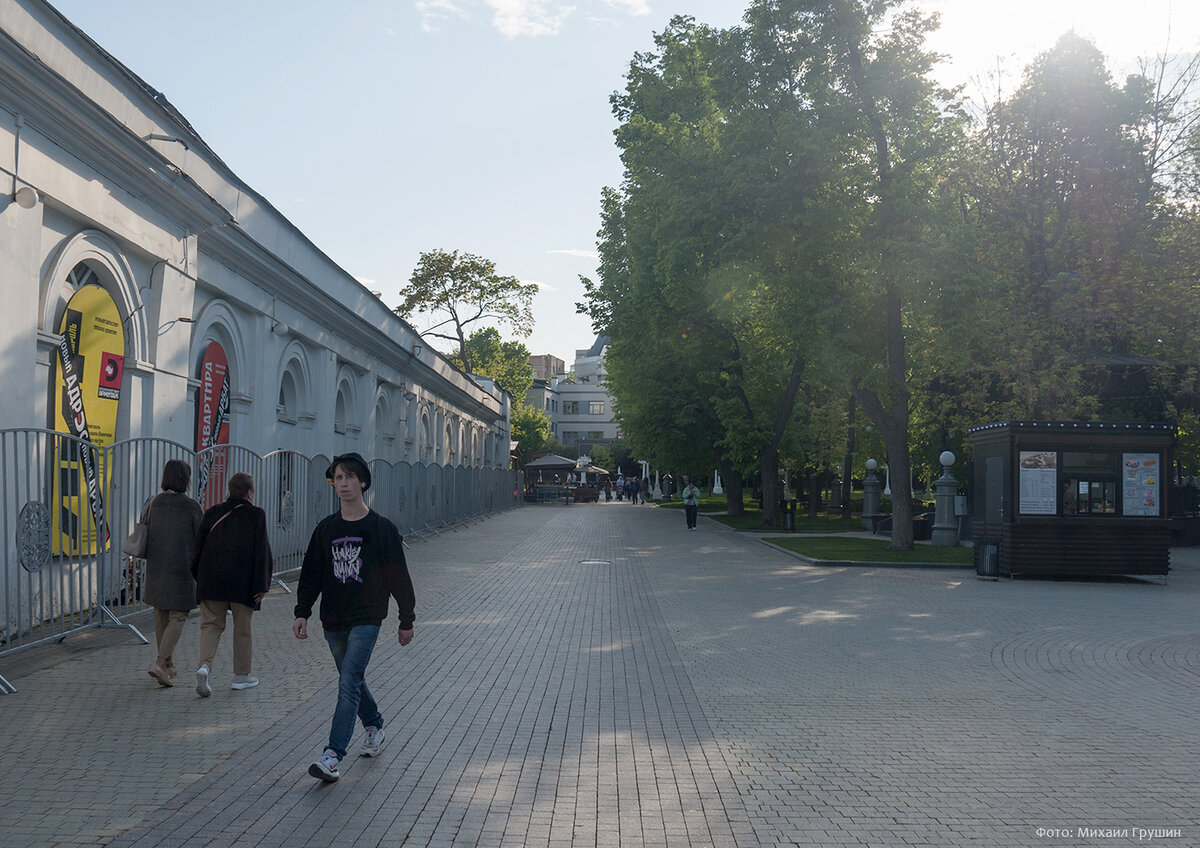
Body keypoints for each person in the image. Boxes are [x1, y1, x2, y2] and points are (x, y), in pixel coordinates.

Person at [293, 452, 416, 783]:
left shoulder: (381, 529)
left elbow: (398, 577)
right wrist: (302, 611)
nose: (343, 482)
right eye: (337, 477)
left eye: (349, 477)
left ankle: (332, 756)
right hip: (332, 619)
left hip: (367, 618)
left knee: (347, 682)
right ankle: (374, 724)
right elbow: (312, 574)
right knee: (353, 679)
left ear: (362, 482)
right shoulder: (326, 529)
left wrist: (407, 619)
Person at [192, 472, 273, 696]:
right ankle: (241, 676)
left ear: (229, 490)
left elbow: (197, 548)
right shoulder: (256, 515)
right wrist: (261, 586)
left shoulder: (212, 512)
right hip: (243, 583)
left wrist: (201, 579)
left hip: (211, 581)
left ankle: (205, 666)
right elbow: (261, 552)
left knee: (210, 626)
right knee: (242, 629)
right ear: (249, 492)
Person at [142, 459, 204, 687]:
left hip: (157, 567)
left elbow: (144, 527)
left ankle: (167, 665)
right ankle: (160, 662)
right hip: (181, 569)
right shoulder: (191, 506)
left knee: (161, 616)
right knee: (178, 616)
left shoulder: (154, 503)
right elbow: (201, 537)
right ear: (185, 480)